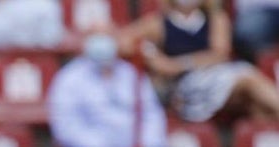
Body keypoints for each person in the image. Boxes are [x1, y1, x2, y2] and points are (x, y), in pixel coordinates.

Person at [117, 0, 279, 123]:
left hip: (215, 76)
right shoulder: (157, 23)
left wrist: (176, 65)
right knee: (248, 79)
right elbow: (124, 41)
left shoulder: (216, 18)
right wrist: (150, 53)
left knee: (258, 106)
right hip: (186, 87)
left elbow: (219, 55)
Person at [47, 31, 169, 147]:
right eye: (96, 36)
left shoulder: (131, 73)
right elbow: (67, 128)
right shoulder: (69, 77)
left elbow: (153, 115)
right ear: (85, 42)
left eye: (107, 36)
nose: (102, 41)